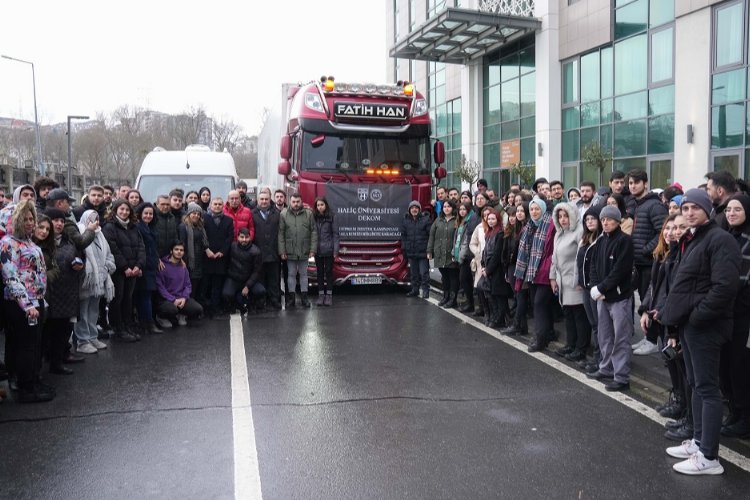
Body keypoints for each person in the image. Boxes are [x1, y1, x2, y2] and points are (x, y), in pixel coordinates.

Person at [661, 188, 740, 475]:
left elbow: (724, 288)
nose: (690, 212)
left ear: (708, 208)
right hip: (691, 325)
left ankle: (709, 457)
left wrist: (696, 316)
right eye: (686, 208)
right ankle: (698, 441)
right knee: (696, 384)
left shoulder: (720, 240)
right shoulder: (695, 238)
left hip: (706, 327)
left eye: (696, 207)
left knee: (708, 389)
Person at [1, 200, 53, 402]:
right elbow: (10, 276)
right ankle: (25, 388)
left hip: (37, 301)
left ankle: (33, 380)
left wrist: (39, 302)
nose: (31, 222)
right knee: (26, 346)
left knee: (35, 343)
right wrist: (27, 305)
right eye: (26, 219)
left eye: (32, 218)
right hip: (20, 304)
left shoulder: (29, 242)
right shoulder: (8, 243)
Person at [586, 205, 635, 392]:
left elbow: (620, 270)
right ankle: (605, 368)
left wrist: (603, 287)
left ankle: (621, 377)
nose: (605, 222)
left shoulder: (625, 241)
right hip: (602, 297)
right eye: (603, 219)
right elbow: (593, 266)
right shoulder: (600, 241)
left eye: (609, 219)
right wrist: (595, 286)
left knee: (620, 338)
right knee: (605, 336)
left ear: (618, 221)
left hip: (619, 297)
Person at [720, 194, 750, 439]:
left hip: (742, 315)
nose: (731, 213)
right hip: (724, 313)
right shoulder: (727, 236)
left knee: (741, 366)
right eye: (728, 209)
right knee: (726, 365)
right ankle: (734, 411)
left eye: (737, 209)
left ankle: (744, 417)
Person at [629, 169, 668, 356]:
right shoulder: (638, 205)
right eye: (630, 182)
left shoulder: (654, 206)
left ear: (645, 183)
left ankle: (653, 340)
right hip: (640, 263)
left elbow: (662, 232)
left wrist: (646, 249)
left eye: (636, 182)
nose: (633, 185)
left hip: (649, 262)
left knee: (651, 302)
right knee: (645, 302)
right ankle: (648, 337)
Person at [42, 208, 84, 373]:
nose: (59, 224)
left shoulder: (68, 241)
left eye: (61, 221)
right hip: (51, 293)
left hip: (68, 293)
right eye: (55, 220)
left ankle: (57, 363)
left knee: (63, 331)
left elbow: (78, 258)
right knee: (48, 333)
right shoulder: (42, 242)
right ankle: (46, 363)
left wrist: (78, 264)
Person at [513, 197, 556, 352]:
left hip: (544, 272)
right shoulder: (529, 226)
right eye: (531, 209)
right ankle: (545, 335)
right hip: (531, 272)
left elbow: (552, 251)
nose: (534, 212)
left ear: (543, 209)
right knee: (539, 306)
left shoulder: (551, 225)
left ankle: (540, 339)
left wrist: (546, 270)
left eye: (537, 209)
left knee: (539, 305)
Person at [103, 199, 146, 342]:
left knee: (128, 299)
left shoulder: (134, 227)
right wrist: (125, 267)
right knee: (118, 299)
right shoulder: (109, 227)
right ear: (115, 210)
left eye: (127, 210)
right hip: (119, 271)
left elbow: (141, 247)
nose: (124, 212)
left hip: (133, 270)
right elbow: (113, 249)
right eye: (121, 209)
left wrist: (138, 266)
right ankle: (118, 328)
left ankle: (127, 325)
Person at [550, 203, 589, 361]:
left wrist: (580, 279)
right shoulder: (559, 233)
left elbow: (582, 258)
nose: (563, 219)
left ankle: (581, 348)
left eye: (566, 216)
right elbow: (554, 257)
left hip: (575, 281)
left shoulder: (579, 232)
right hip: (562, 281)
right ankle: (570, 344)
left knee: (579, 316)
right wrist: (552, 277)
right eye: (560, 217)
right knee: (569, 315)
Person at [73, 209, 116, 353]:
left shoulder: (101, 235)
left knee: (93, 311)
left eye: (97, 219)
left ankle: (92, 337)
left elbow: (109, 255)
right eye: (91, 219)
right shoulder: (79, 232)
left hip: (99, 281)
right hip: (86, 280)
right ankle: (82, 341)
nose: (94, 222)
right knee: (83, 312)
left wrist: (107, 267)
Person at [279, 193, 317, 308]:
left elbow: (314, 232)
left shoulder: (309, 214)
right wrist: (282, 251)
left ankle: (304, 298)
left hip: (304, 250)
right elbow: (281, 233)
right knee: (291, 274)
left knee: (304, 274)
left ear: (301, 201)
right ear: (290, 202)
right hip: (290, 250)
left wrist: (312, 250)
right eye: (294, 202)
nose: (296, 204)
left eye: (298, 201)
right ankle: (291, 299)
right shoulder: (283, 214)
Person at [156, 241, 204, 326]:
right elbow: (160, 287)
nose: (179, 252)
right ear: (171, 251)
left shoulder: (183, 266)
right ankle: (161, 317)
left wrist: (184, 298)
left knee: (198, 309)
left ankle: (181, 315)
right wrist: (173, 300)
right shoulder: (162, 266)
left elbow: (188, 285)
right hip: (166, 300)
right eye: (176, 249)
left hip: (181, 298)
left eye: (181, 250)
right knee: (172, 309)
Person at [134, 202, 163, 334]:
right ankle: (148, 323)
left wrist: (157, 259)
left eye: (151, 213)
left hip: (151, 265)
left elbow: (153, 247)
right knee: (144, 296)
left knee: (147, 295)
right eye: (145, 213)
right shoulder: (138, 228)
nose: (148, 216)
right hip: (143, 266)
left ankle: (146, 322)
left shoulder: (150, 227)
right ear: (140, 214)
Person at [202, 197, 234, 319]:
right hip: (207, 257)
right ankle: (205, 308)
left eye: (220, 204)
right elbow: (202, 236)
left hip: (221, 258)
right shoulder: (204, 219)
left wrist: (222, 251)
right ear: (210, 205)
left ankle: (215, 308)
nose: (217, 206)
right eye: (215, 204)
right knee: (205, 284)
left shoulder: (228, 220)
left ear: (223, 205)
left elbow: (229, 238)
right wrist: (207, 250)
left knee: (218, 284)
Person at [252, 189, 282, 310]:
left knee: (274, 279)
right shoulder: (252, 213)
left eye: (266, 199)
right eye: (262, 199)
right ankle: (261, 301)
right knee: (260, 278)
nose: (264, 201)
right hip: (258, 252)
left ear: (270, 200)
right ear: (258, 200)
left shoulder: (277, 213)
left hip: (274, 251)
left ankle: (274, 300)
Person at [223, 228, 265, 314]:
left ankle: (252, 303)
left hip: (248, 279)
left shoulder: (256, 251)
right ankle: (235, 303)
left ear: (250, 237)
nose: (244, 240)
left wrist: (247, 286)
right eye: (242, 237)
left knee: (260, 291)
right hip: (234, 278)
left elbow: (256, 271)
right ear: (237, 237)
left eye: (246, 237)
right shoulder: (232, 247)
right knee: (227, 294)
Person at [482, 208, 512, 327]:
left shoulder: (500, 233)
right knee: (494, 295)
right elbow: (485, 251)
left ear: (498, 219)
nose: (490, 221)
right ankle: (500, 318)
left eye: (493, 219)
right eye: (489, 219)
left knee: (500, 296)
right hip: (489, 268)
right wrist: (483, 266)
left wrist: (488, 269)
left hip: (497, 270)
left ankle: (502, 319)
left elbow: (497, 254)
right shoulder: (489, 233)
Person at [428, 199, 459, 308]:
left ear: (453, 208)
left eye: (449, 206)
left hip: (451, 254)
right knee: (444, 277)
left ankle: (453, 299)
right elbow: (432, 236)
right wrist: (429, 250)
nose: (446, 208)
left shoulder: (457, 220)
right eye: (445, 206)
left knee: (453, 277)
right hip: (440, 253)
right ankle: (445, 297)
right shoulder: (438, 220)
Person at [178, 203, 209, 302]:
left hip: (199, 260)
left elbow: (204, 243)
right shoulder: (183, 227)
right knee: (189, 285)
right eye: (194, 213)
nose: (196, 215)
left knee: (196, 285)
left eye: (198, 214)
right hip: (189, 261)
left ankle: (194, 306)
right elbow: (181, 245)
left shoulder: (200, 227)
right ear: (189, 214)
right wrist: (182, 260)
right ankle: (189, 307)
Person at [401, 201, 432, 299]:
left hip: (423, 252)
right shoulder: (406, 221)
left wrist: (429, 250)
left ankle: (426, 291)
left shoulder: (426, 220)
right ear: (409, 210)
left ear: (419, 209)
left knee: (424, 273)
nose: (414, 210)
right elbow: (404, 236)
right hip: (411, 252)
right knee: (413, 274)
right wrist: (405, 248)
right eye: (412, 208)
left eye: (416, 208)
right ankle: (415, 290)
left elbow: (430, 235)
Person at [313, 197, 339, 306]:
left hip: (328, 250)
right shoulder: (313, 217)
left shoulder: (332, 216)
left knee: (328, 273)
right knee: (319, 273)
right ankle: (321, 295)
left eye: (322, 205)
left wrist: (335, 251)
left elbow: (335, 234)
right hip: (317, 250)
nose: (320, 207)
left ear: (326, 205)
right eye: (318, 205)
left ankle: (329, 295)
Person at [456, 201, 479, 312]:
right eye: (460, 209)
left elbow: (466, 240)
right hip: (462, 254)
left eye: (464, 209)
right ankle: (470, 303)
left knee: (469, 279)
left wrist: (462, 254)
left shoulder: (471, 220)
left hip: (468, 254)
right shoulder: (460, 221)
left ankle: (474, 305)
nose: (462, 211)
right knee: (464, 279)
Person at [469, 206, 492, 318]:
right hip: (480, 262)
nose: (487, 217)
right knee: (479, 287)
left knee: (489, 289)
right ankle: (484, 310)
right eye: (485, 215)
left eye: (489, 214)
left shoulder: (496, 228)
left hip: (491, 262)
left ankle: (491, 312)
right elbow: (472, 243)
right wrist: (477, 252)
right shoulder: (479, 228)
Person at [154, 195, 178, 259]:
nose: (165, 207)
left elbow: (174, 236)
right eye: (162, 204)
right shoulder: (152, 217)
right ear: (157, 204)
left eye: (168, 204)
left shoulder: (171, 217)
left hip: (168, 256)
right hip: (155, 257)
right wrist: (156, 257)